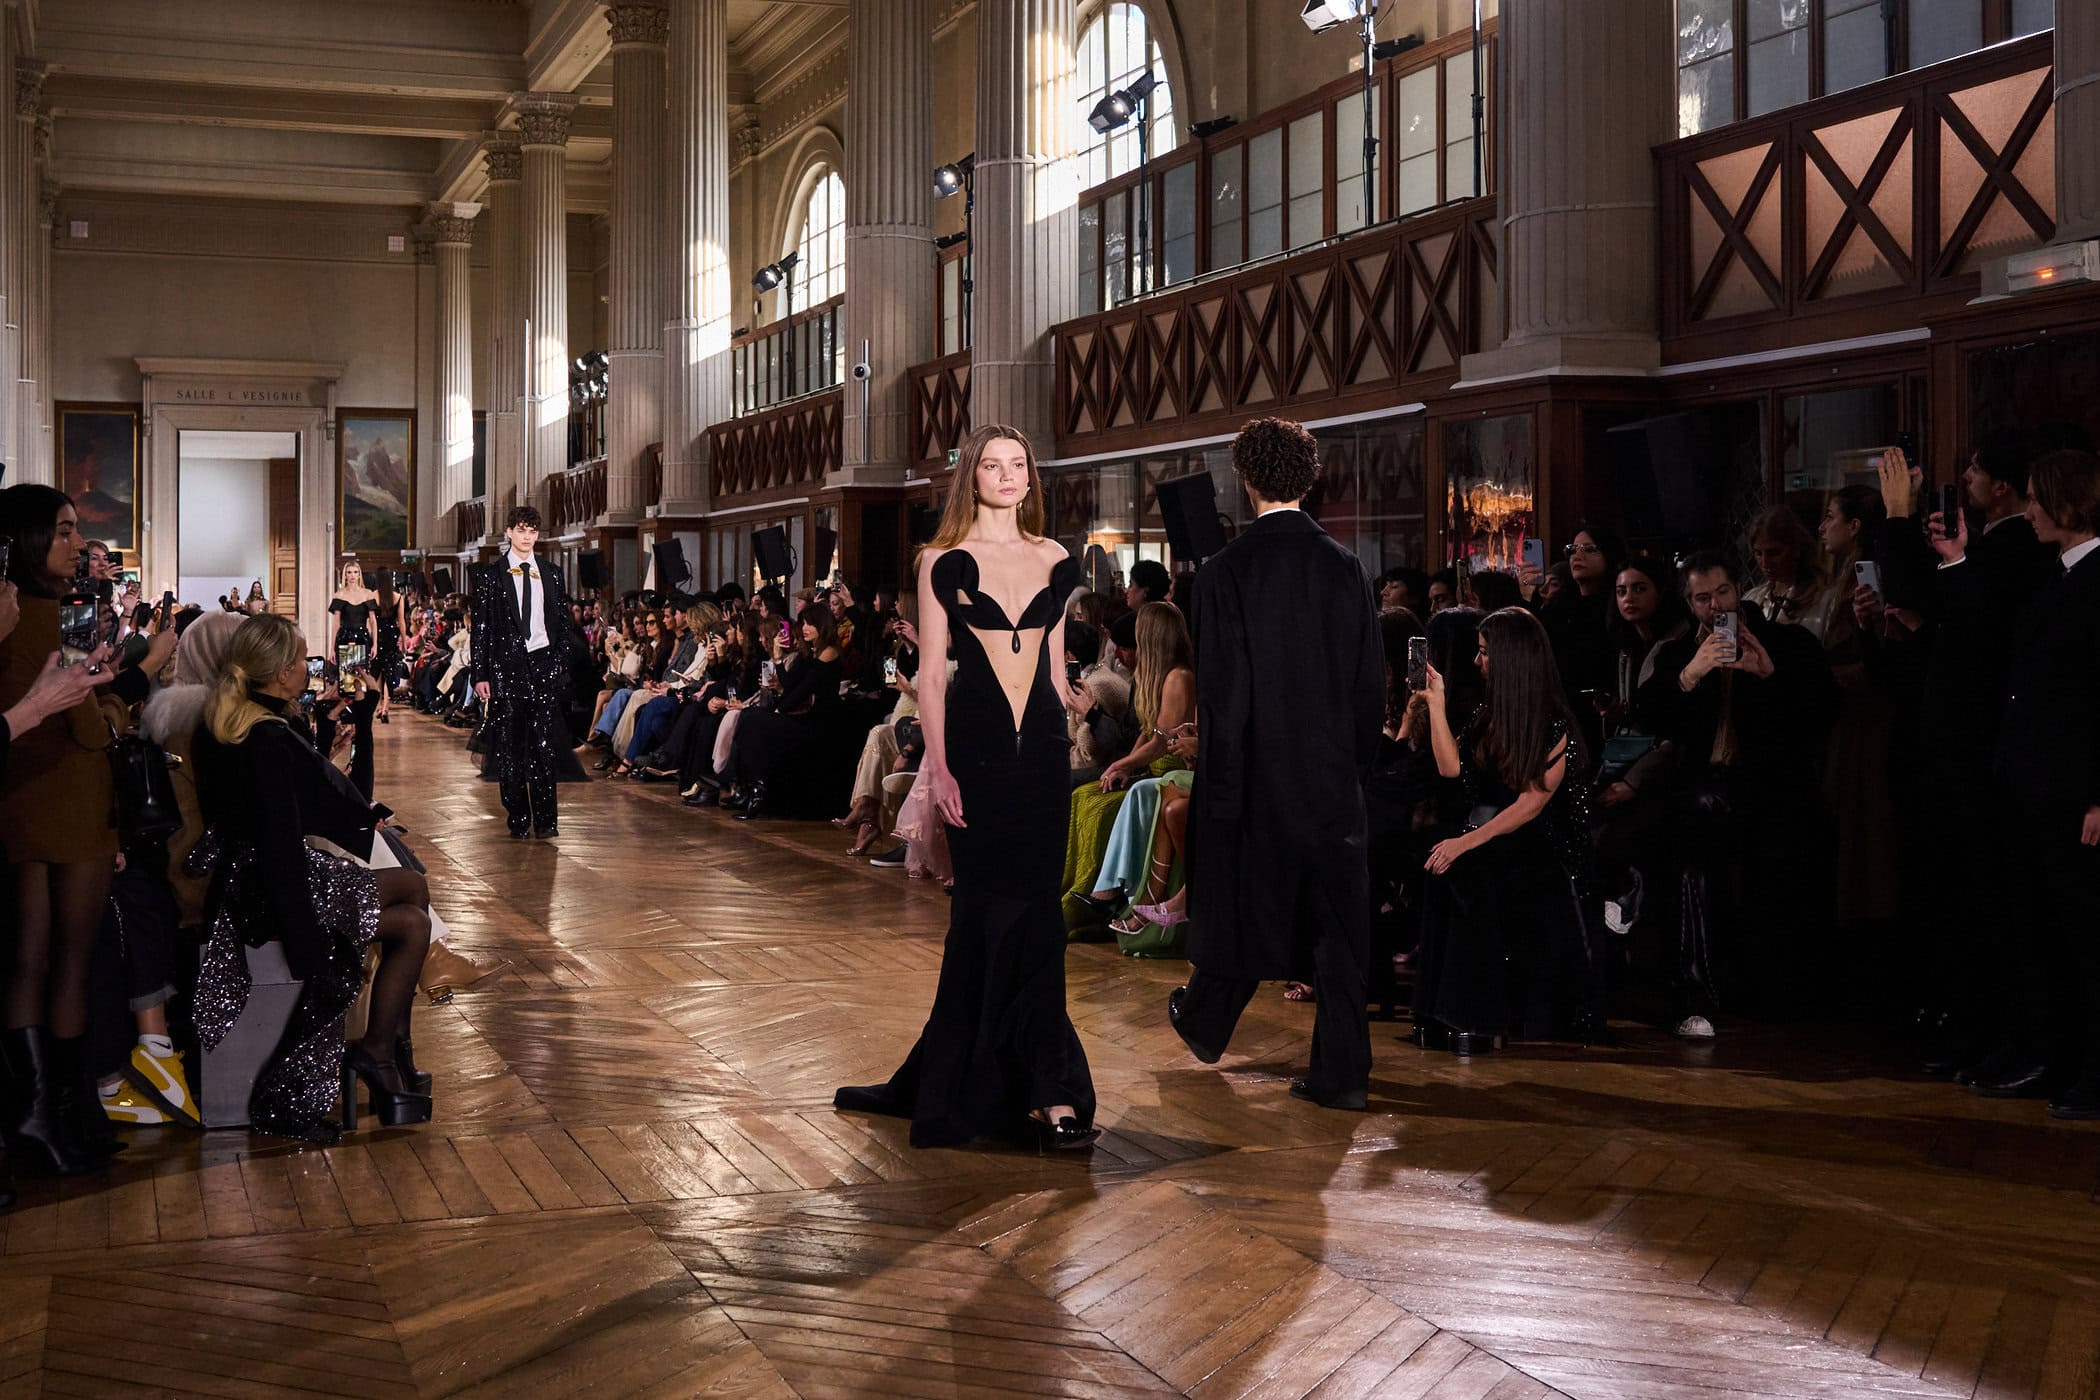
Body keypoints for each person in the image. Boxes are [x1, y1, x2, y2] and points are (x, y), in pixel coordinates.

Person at [834, 424, 1099, 1151]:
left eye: (1019, 465)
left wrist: (1073, 710)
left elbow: (1048, 667)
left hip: (1041, 753)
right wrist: (938, 767)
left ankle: (1053, 1091)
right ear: (972, 478)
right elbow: (930, 680)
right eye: (994, 465)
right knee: (982, 916)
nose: (1008, 476)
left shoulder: (1055, 558)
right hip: (976, 754)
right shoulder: (941, 561)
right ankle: (960, 1079)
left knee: (1041, 919)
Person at [1169, 417, 1383, 1111]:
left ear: (1247, 480)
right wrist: (1355, 771)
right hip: (1331, 781)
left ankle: (1204, 1022)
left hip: (1256, 780)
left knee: (1241, 908)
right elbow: (1367, 686)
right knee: (1338, 935)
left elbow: (1225, 695)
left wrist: (1220, 790)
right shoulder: (1346, 566)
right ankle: (1342, 1077)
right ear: (1308, 478)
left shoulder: (1225, 572)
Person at [189, 614, 433, 1140]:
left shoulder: (231, 718)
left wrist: (327, 728)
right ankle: (381, 1054)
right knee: (413, 920)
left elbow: (312, 804)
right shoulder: (267, 738)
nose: (309, 667)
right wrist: (306, 947)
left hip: (247, 872)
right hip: (263, 887)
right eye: (301, 659)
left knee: (412, 886)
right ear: (279, 673)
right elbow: (294, 832)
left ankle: (387, 1052)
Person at [0, 485, 174, 1176]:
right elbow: (89, 723)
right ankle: (65, 1108)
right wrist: (141, 678)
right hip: (63, 798)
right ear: (28, 537)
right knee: (66, 959)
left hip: (25, 794)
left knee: (31, 961)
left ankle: (42, 1112)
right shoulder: (46, 617)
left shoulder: (15, 612)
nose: (79, 544)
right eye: (66, 531)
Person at [1932, 449, 2100, 1115]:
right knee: (2044, 932)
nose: (2026, 509)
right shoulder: (2060, 576)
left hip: (2071, 795)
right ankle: (2057, 1058)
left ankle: (2090, 1071)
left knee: (2084, 940)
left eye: (2035, 498)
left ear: (2065, 502)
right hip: (2035, 786)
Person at [1414, 608, 1596, 1051]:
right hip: (1492, 833)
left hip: (1540, 843)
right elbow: (1449, 768)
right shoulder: (1487, 712)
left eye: (1484, 653)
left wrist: (1465, 843)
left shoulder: (1556, 722)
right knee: (1441, 869)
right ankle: (1438, 1015)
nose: (1478, 662)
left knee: (1473, 875)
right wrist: (1436, 704)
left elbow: (1532, 804)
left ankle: (1475, 1018)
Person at [472, 506, 580, 839]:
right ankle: (518, 817)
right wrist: (480, 674)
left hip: (543, 666)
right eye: (521, 530)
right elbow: (482, 628)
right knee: (510, 748)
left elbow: (563, 622)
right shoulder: (491, 576)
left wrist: (559, 659)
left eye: (532, 531)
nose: (527, 537)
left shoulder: (552, 573)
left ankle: (547, 821)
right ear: (508, 532)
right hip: (506, 670)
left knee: (544, 746)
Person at [327, 560, 384, 796]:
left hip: (363, 640)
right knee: (349, 690)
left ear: (360, 574)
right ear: (345, 575)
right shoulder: (339, 595)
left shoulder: (368, 594)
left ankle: (356, 751)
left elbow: (373, 621)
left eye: (355, 572)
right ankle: (349, 741)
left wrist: (376, 645)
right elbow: (336, 623)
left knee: (362, 687)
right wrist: (331, 647)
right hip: (345, 640)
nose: (352, 575)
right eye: (349, 572)